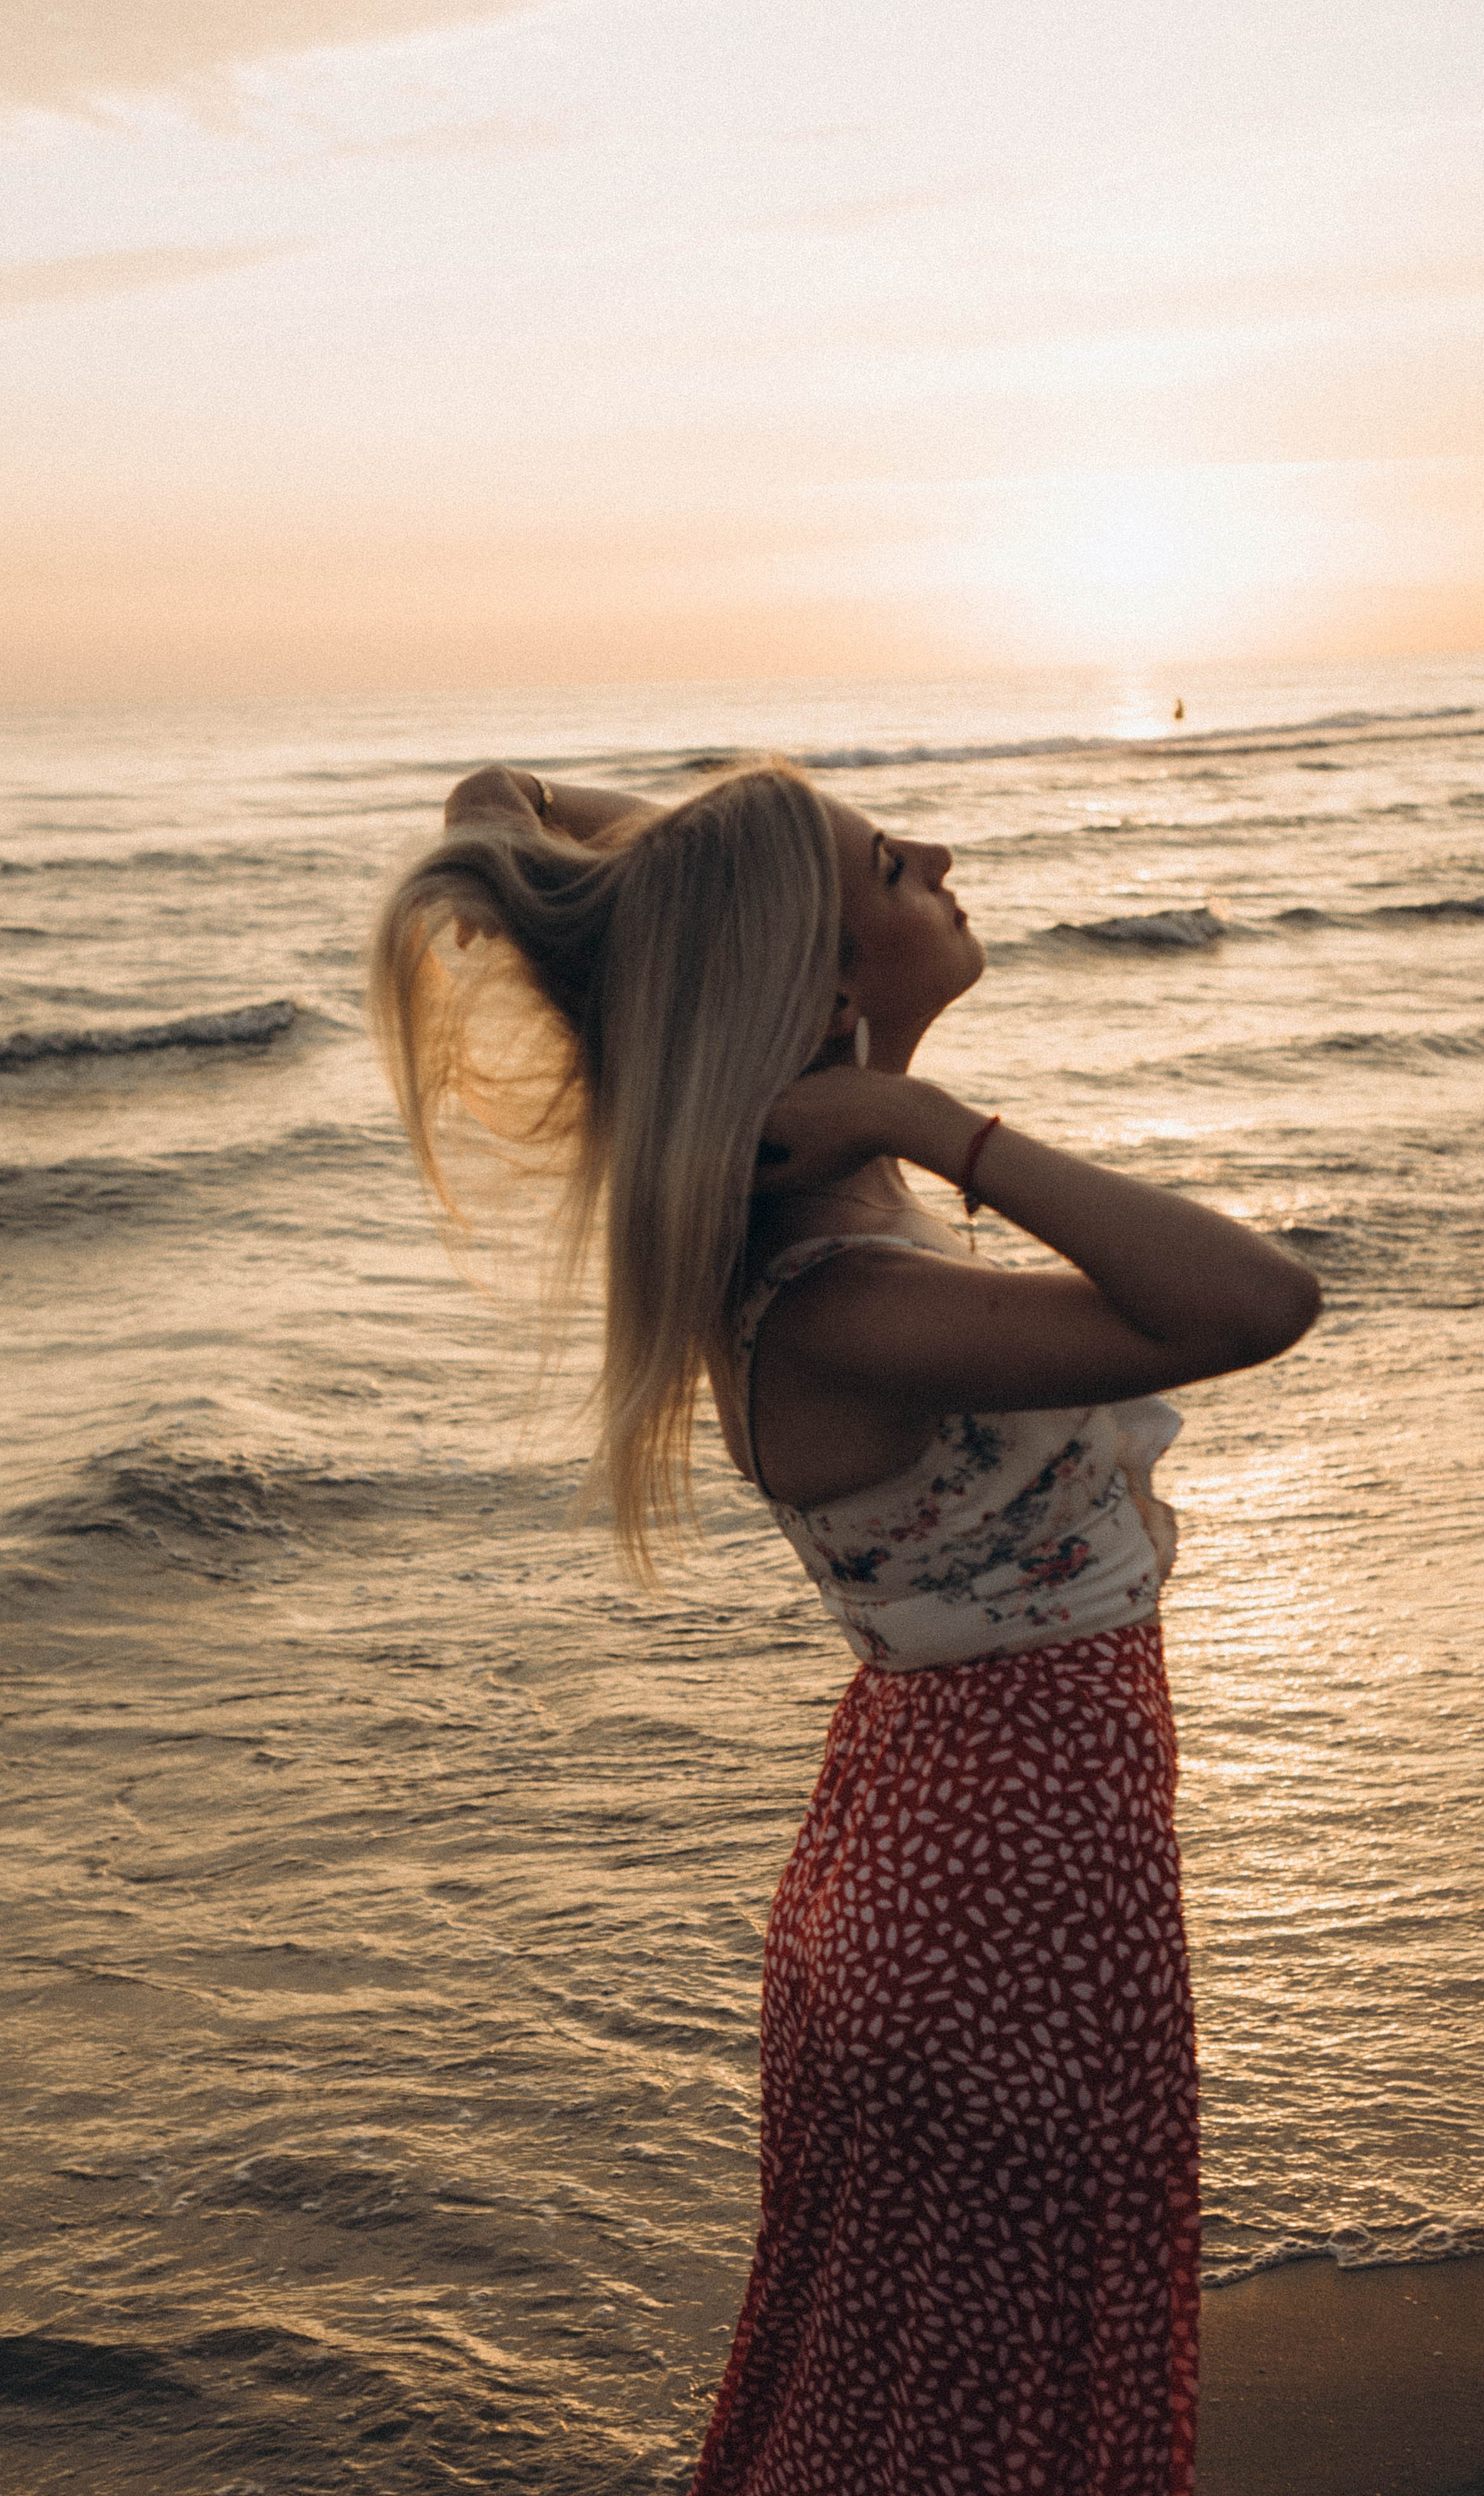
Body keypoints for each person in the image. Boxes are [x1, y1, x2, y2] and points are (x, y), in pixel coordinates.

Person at [370, 760, 1320, 2496]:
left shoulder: (808, 1248)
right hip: (1000, 1889)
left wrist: (743, 860)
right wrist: (915, 1114)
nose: (945, 856)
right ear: (818, 977)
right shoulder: (852, 1296)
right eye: (894, 860)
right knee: (981, 2410)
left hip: (943, 1849)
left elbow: (498, 793)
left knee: (905, 2382)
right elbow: (1260, 1302)